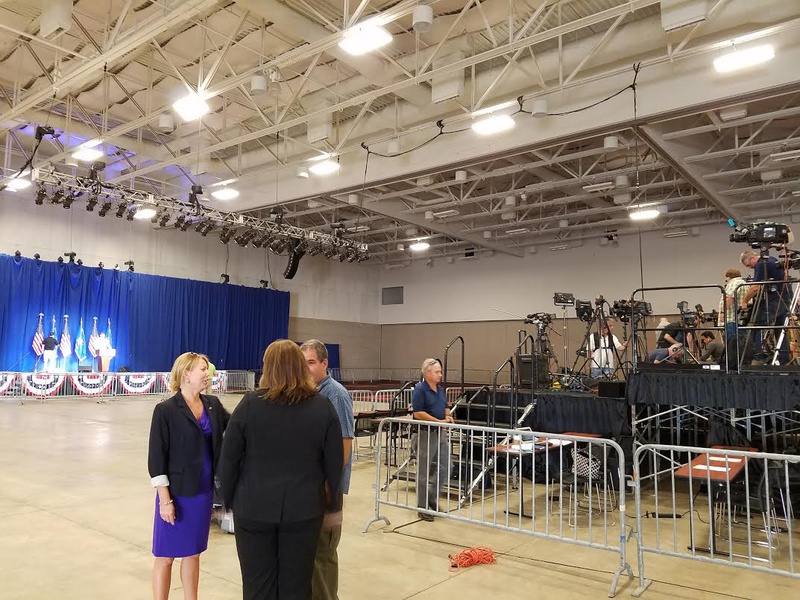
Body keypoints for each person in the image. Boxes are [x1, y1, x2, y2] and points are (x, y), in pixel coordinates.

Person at [219, 340, 343, 600]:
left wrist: (229, 501)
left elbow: (228, 460)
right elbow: (334, 465)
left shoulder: (249, 406)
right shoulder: (322, 408)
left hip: (254, 509)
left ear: (267, 368)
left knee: (257, 586)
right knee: (297, 587)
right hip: (304, 512)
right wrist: (333, 507)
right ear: (300, 367)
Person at [148, 352, 230, 600]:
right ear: (186, 374)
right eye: (202, 369)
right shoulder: (166, 410)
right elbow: (156, 459)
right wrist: (165, 500)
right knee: (166, 556)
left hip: (203, 492)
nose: (208, 374)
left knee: (193, 553)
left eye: (207, 369)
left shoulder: (213, 405)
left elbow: (237, 428)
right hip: (176, 494)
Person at [300, 339, 354, 600]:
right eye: (303, 363)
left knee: (323, 554)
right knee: (309, 556)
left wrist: (330, 484)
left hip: (328, 492)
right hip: (309, 488)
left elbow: (345, 443)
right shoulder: (307, 393)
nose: (306, 368)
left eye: (311, 362)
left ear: (324, 363)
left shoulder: (336, 395)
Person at [411, 357, 453, 522]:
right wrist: (438, 421)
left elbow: (445, 407)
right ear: (427, 373)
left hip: (439, 433)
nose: (440, 375)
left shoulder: (441, 390)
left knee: (447, 466)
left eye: (440, 372)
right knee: (423, 471)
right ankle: (422, 507)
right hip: (425, 433)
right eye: (437, 372)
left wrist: (448, 416)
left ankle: (432, 496)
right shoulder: (420, 390)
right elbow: (418, 413)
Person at [740, 249, 792, 364]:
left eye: (749, 265)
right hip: (786, 296)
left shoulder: (761, 264)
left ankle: (757, 356)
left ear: (752, 258)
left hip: (776, 298)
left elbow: (755, 287)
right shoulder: (771, 260)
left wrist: (744, 301)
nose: (750, 268)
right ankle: (784, 359)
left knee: (757, 325)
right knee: (780, 329)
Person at [723, 268, 749, 339]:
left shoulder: (733, 283)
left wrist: (723, 312)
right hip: (741, 320)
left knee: (731, 344)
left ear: (729, 277)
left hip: (732, 319)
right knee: (741, 343)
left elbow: (729, 298)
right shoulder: (745, 283)